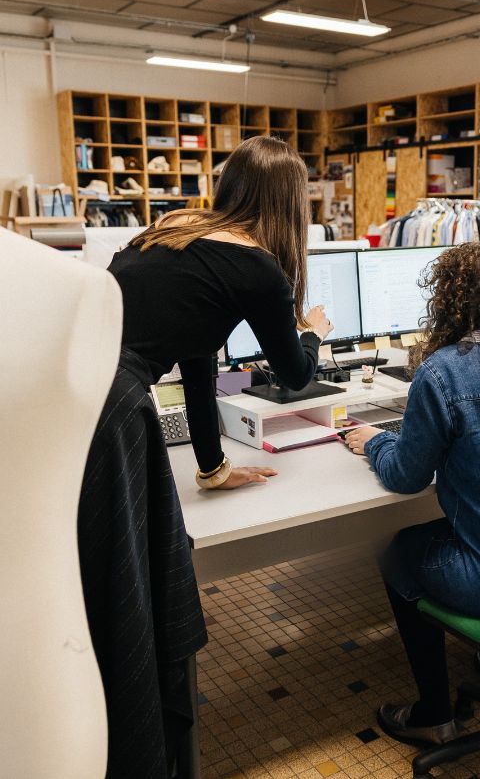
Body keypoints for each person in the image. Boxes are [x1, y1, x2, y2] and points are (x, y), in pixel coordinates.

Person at [78, 135, 334, 778]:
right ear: (291, 204)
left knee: (96, 577)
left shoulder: (172, 233)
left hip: (77, 388)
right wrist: (314, 332)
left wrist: (212, 470)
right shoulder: (259, 269)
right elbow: (295, 374)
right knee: (134, 585)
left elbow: (196, 358)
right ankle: (139, 744)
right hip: (115, 407)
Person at [343, 242, 480, 747]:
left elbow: (406, 476)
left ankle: (434, 714)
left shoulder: (445, 371)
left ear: (448, 299)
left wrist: (375, 439)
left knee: (399, 550)